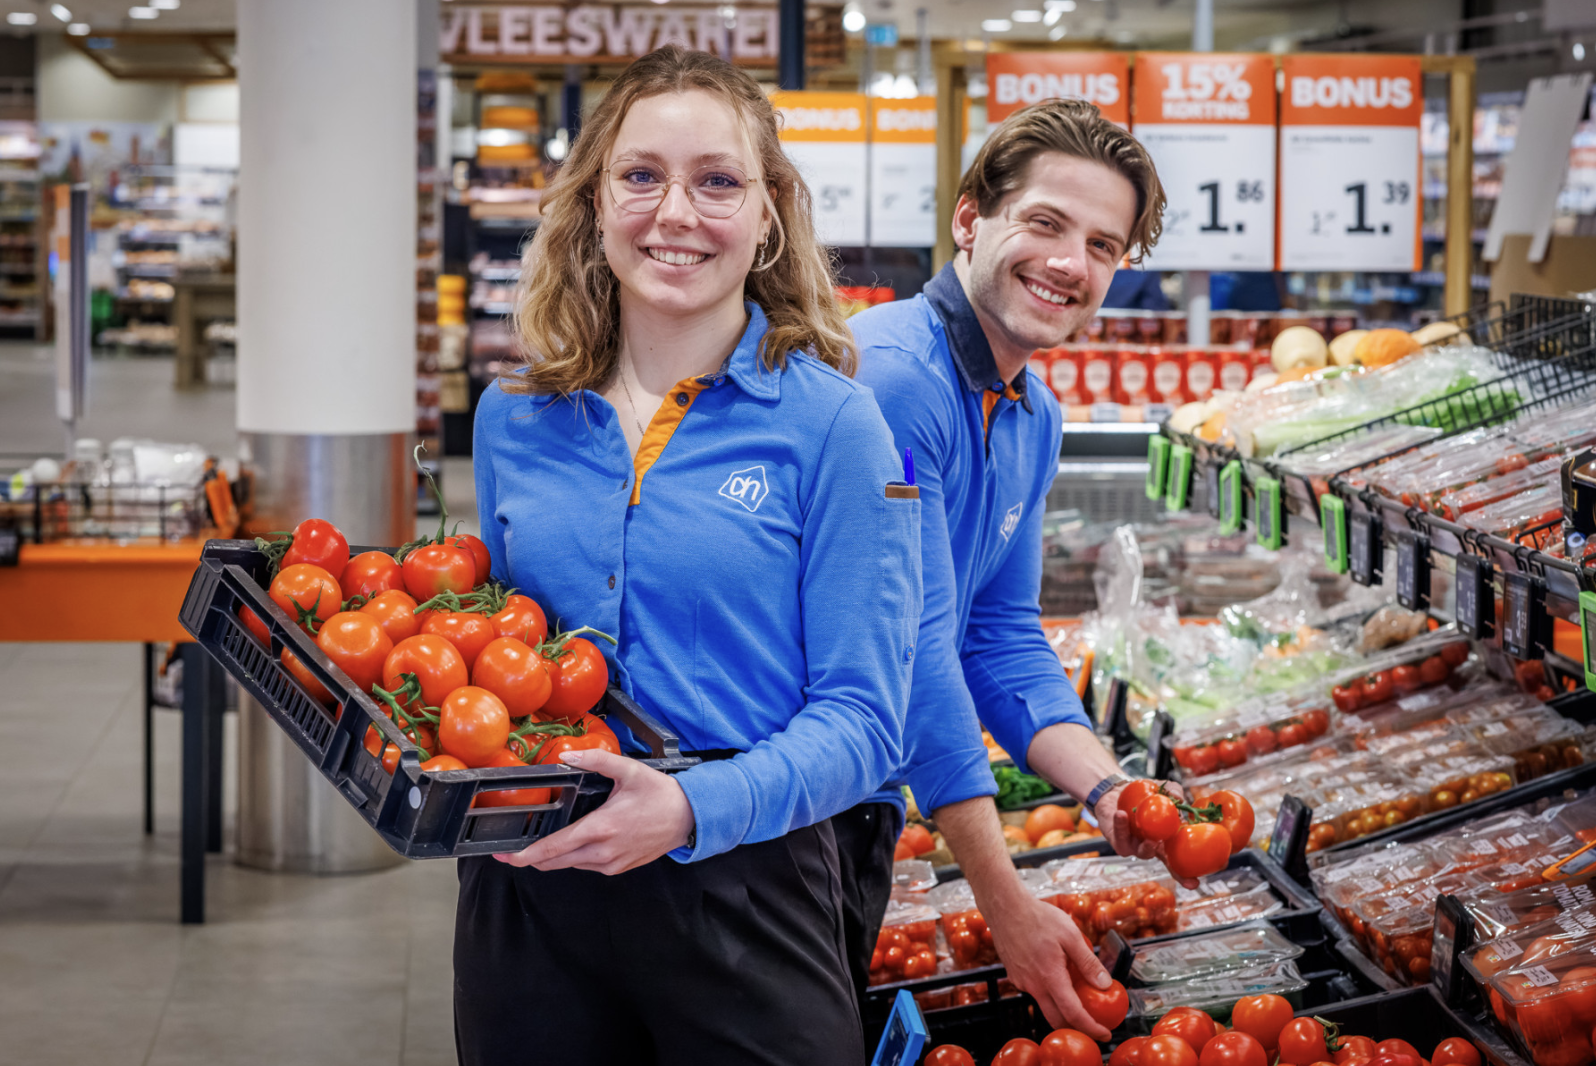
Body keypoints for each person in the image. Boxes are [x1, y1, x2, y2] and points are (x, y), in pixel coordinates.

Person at [462, 46, 921, 1066]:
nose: (675, 212)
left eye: (717, 181)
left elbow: (864, 724)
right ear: (591, 203)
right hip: (531, 888)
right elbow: (495, 661)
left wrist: (685, 808)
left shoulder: (836, 428)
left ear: (768, 214)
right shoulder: (513, 419)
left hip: (746, 886)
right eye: (641, 176)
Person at [846, 98, 1183, 1039]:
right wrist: (1003, 901)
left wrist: (1108, 789)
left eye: (1104, 246)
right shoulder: (895, 377)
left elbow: (996, 635)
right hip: (780, 818)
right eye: (1045, 222)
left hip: (863, 806)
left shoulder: (1031, 411)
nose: (1071, 263)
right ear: (969, 217)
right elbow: (910, 649)